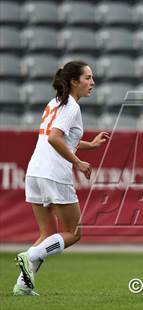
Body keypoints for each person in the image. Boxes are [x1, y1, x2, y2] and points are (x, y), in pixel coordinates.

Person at [13, 61, 109, 296]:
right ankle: (30, 255)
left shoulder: (55, 102)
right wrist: (77, 162)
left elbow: (62, 138)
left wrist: (90, 145)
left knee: (47, 235)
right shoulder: (71, 107)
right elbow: (55, 139)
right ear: (74, 82)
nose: (92, 82)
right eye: (87, 77)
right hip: (54, 174)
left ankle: (22, 285)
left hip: (35, 172)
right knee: (74, 233)